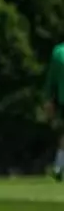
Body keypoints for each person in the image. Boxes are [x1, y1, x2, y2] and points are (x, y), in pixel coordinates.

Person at [44, 42, 64, 182]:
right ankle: (58, 168)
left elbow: (51, 78)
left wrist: (49, 97)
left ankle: (58, 167)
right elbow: (52, 78)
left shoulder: (58, 51)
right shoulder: (59, 52)